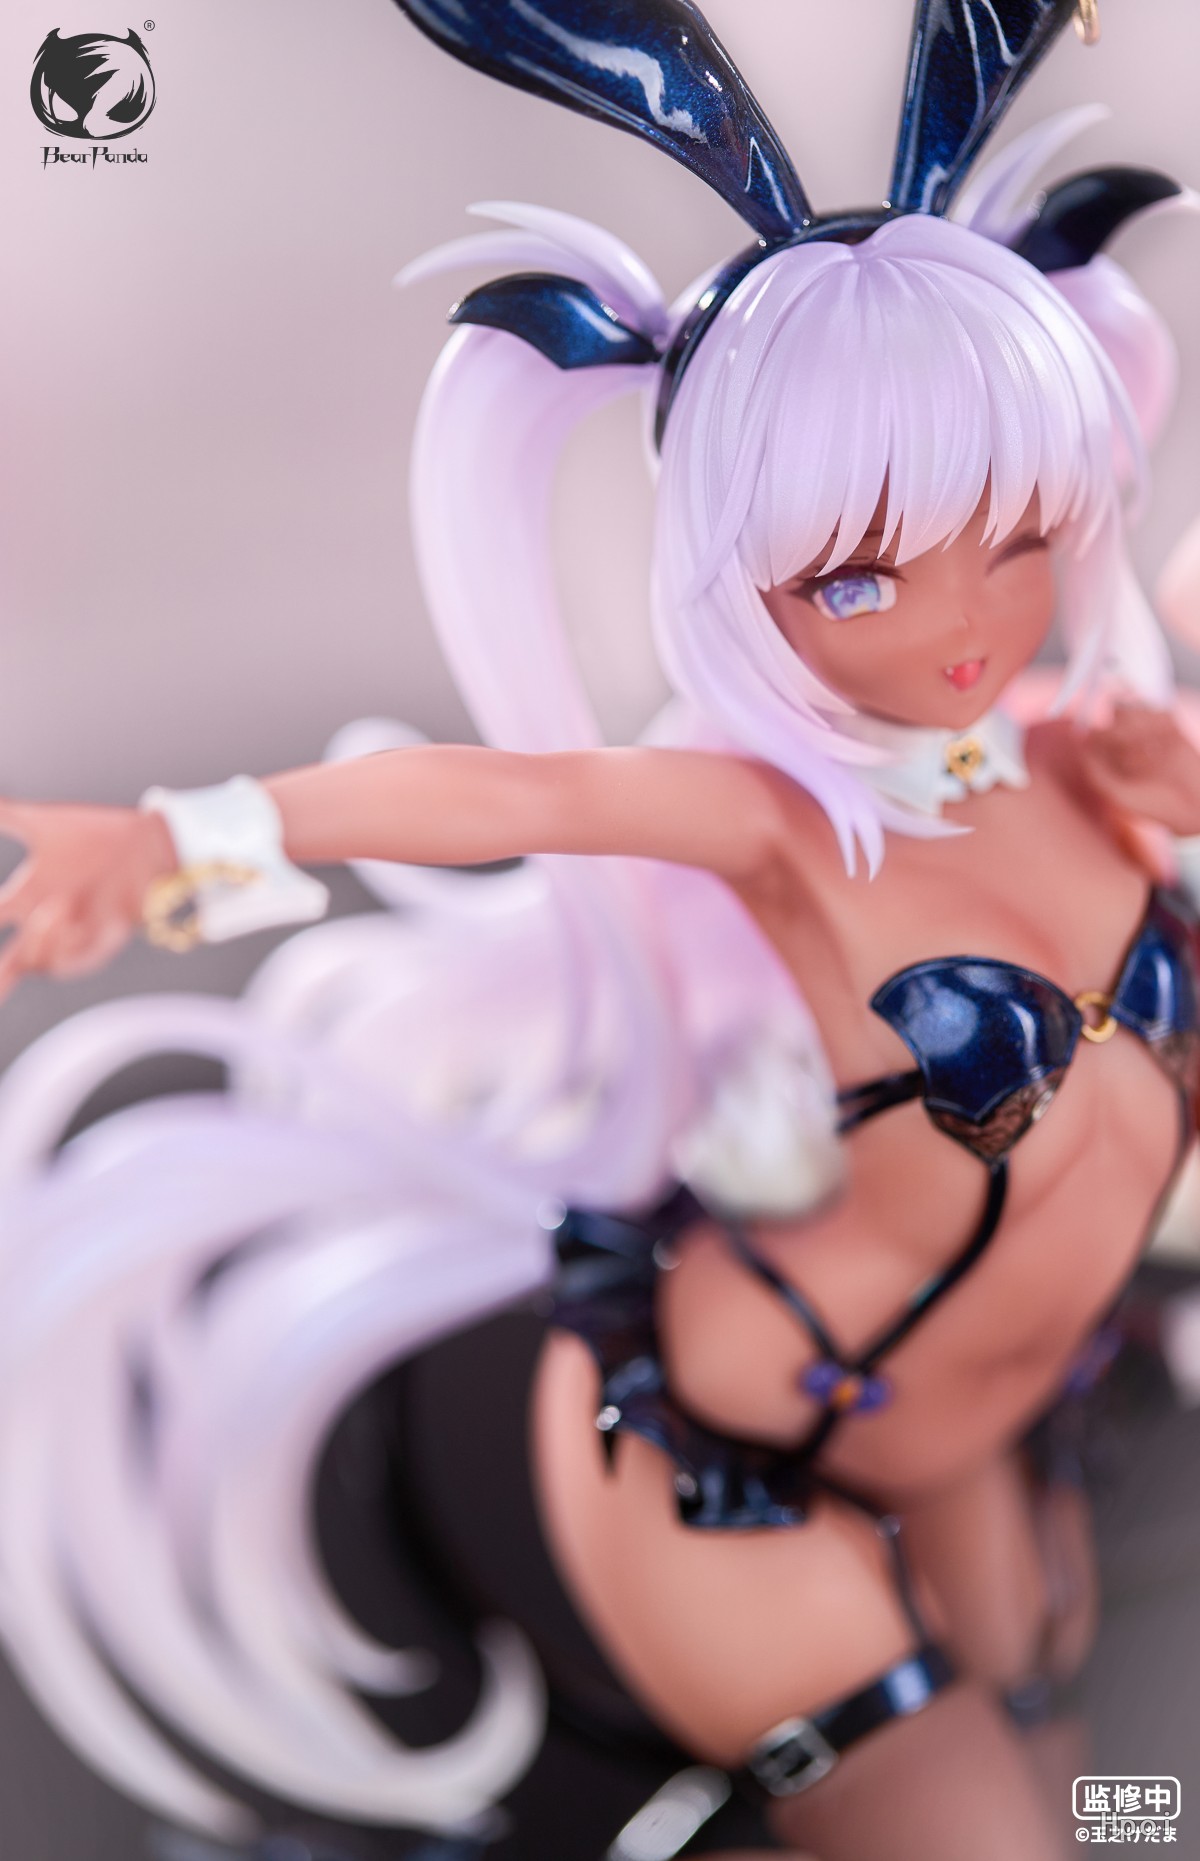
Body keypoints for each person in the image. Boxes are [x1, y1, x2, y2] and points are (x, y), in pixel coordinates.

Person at [0, 2, 1195, 1857]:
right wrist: (184, 832)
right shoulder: (785, 824)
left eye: (1014, 531)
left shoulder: (1096, 755)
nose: (961, 621)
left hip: (991, 1440)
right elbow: (507, 794)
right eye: (857, 575)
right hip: (733, 1469)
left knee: (1116, 1816)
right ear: (741, 579)